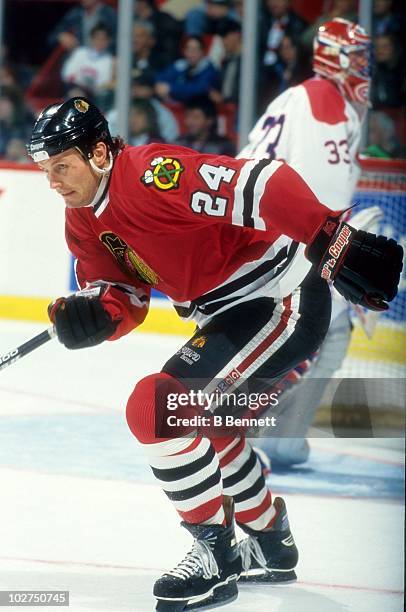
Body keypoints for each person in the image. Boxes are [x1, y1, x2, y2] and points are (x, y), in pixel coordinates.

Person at [26, 96, 402, 610]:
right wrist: (94, 318)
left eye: (61, 166)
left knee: (156, 409)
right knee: (212, 421)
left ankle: (216, 555)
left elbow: (264, 181)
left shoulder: (152, 175)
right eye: (46, 170)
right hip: (229, 313)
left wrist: (329, 235)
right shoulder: (82, 219)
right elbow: (125, 296)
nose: (53, 181)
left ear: (98, 154)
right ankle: (271, 543)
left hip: (279, 297)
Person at [238, 18, 376, 466]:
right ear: (331, 57)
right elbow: (322, 191)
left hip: (271, 230)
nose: (362, 67)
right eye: (354, 57)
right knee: (320, 332)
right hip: (288, 237)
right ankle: (236, 427)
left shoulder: (310, 97)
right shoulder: (322, 101)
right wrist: (340, 252)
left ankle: (275, 437)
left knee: (310, 332)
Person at [155, 36, 220, 103]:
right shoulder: (181, 64)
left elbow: (199, 89)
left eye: (195, 49)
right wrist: (161, 87)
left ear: (202, 51)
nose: (191, 53)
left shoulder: (209, 69)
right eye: (188, 49)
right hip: (175, 105)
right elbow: (161, 78)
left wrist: (171, 88)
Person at [48, 0, 117, 53]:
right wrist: (61, 36)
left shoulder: (110, 15)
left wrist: (102, 44)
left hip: (102, 63)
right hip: (78, 62)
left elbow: (119, 44)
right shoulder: (74, 13)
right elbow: (52, 38)